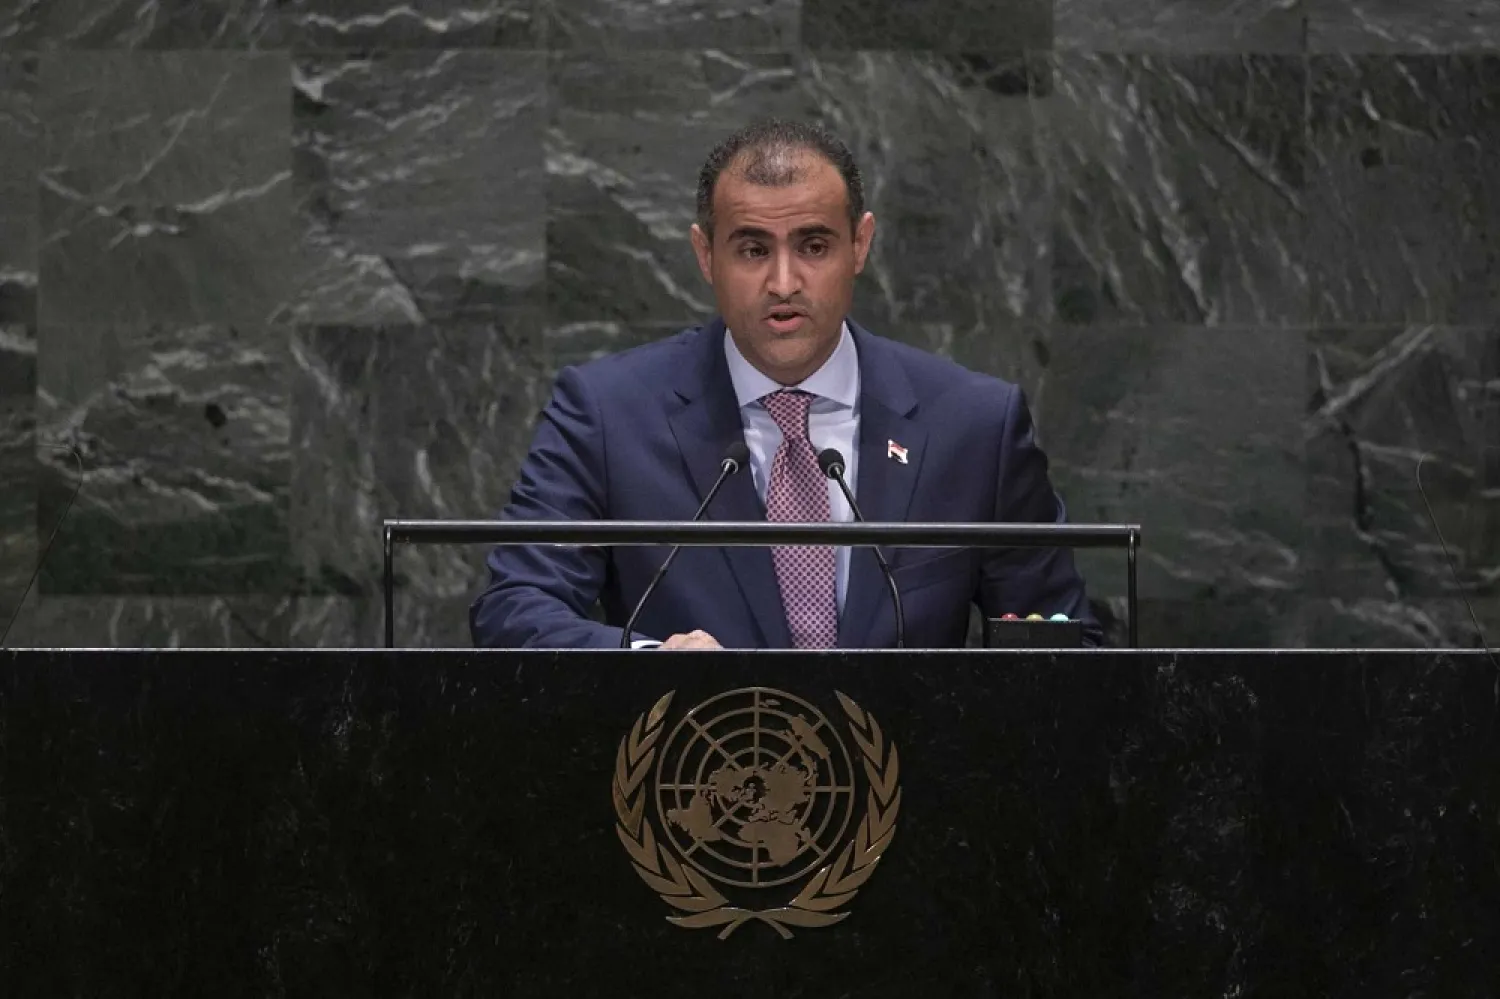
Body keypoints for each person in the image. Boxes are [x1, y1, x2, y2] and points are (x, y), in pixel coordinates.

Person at [470, 119, 1101, 650]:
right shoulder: (608, 414)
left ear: (860, 244)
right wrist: (645, 660)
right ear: (704, 254)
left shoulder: (975, 425)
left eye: (814, 245)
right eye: (751, 250)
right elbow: (516, 606)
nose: (783, 281)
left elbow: (1063, 644)